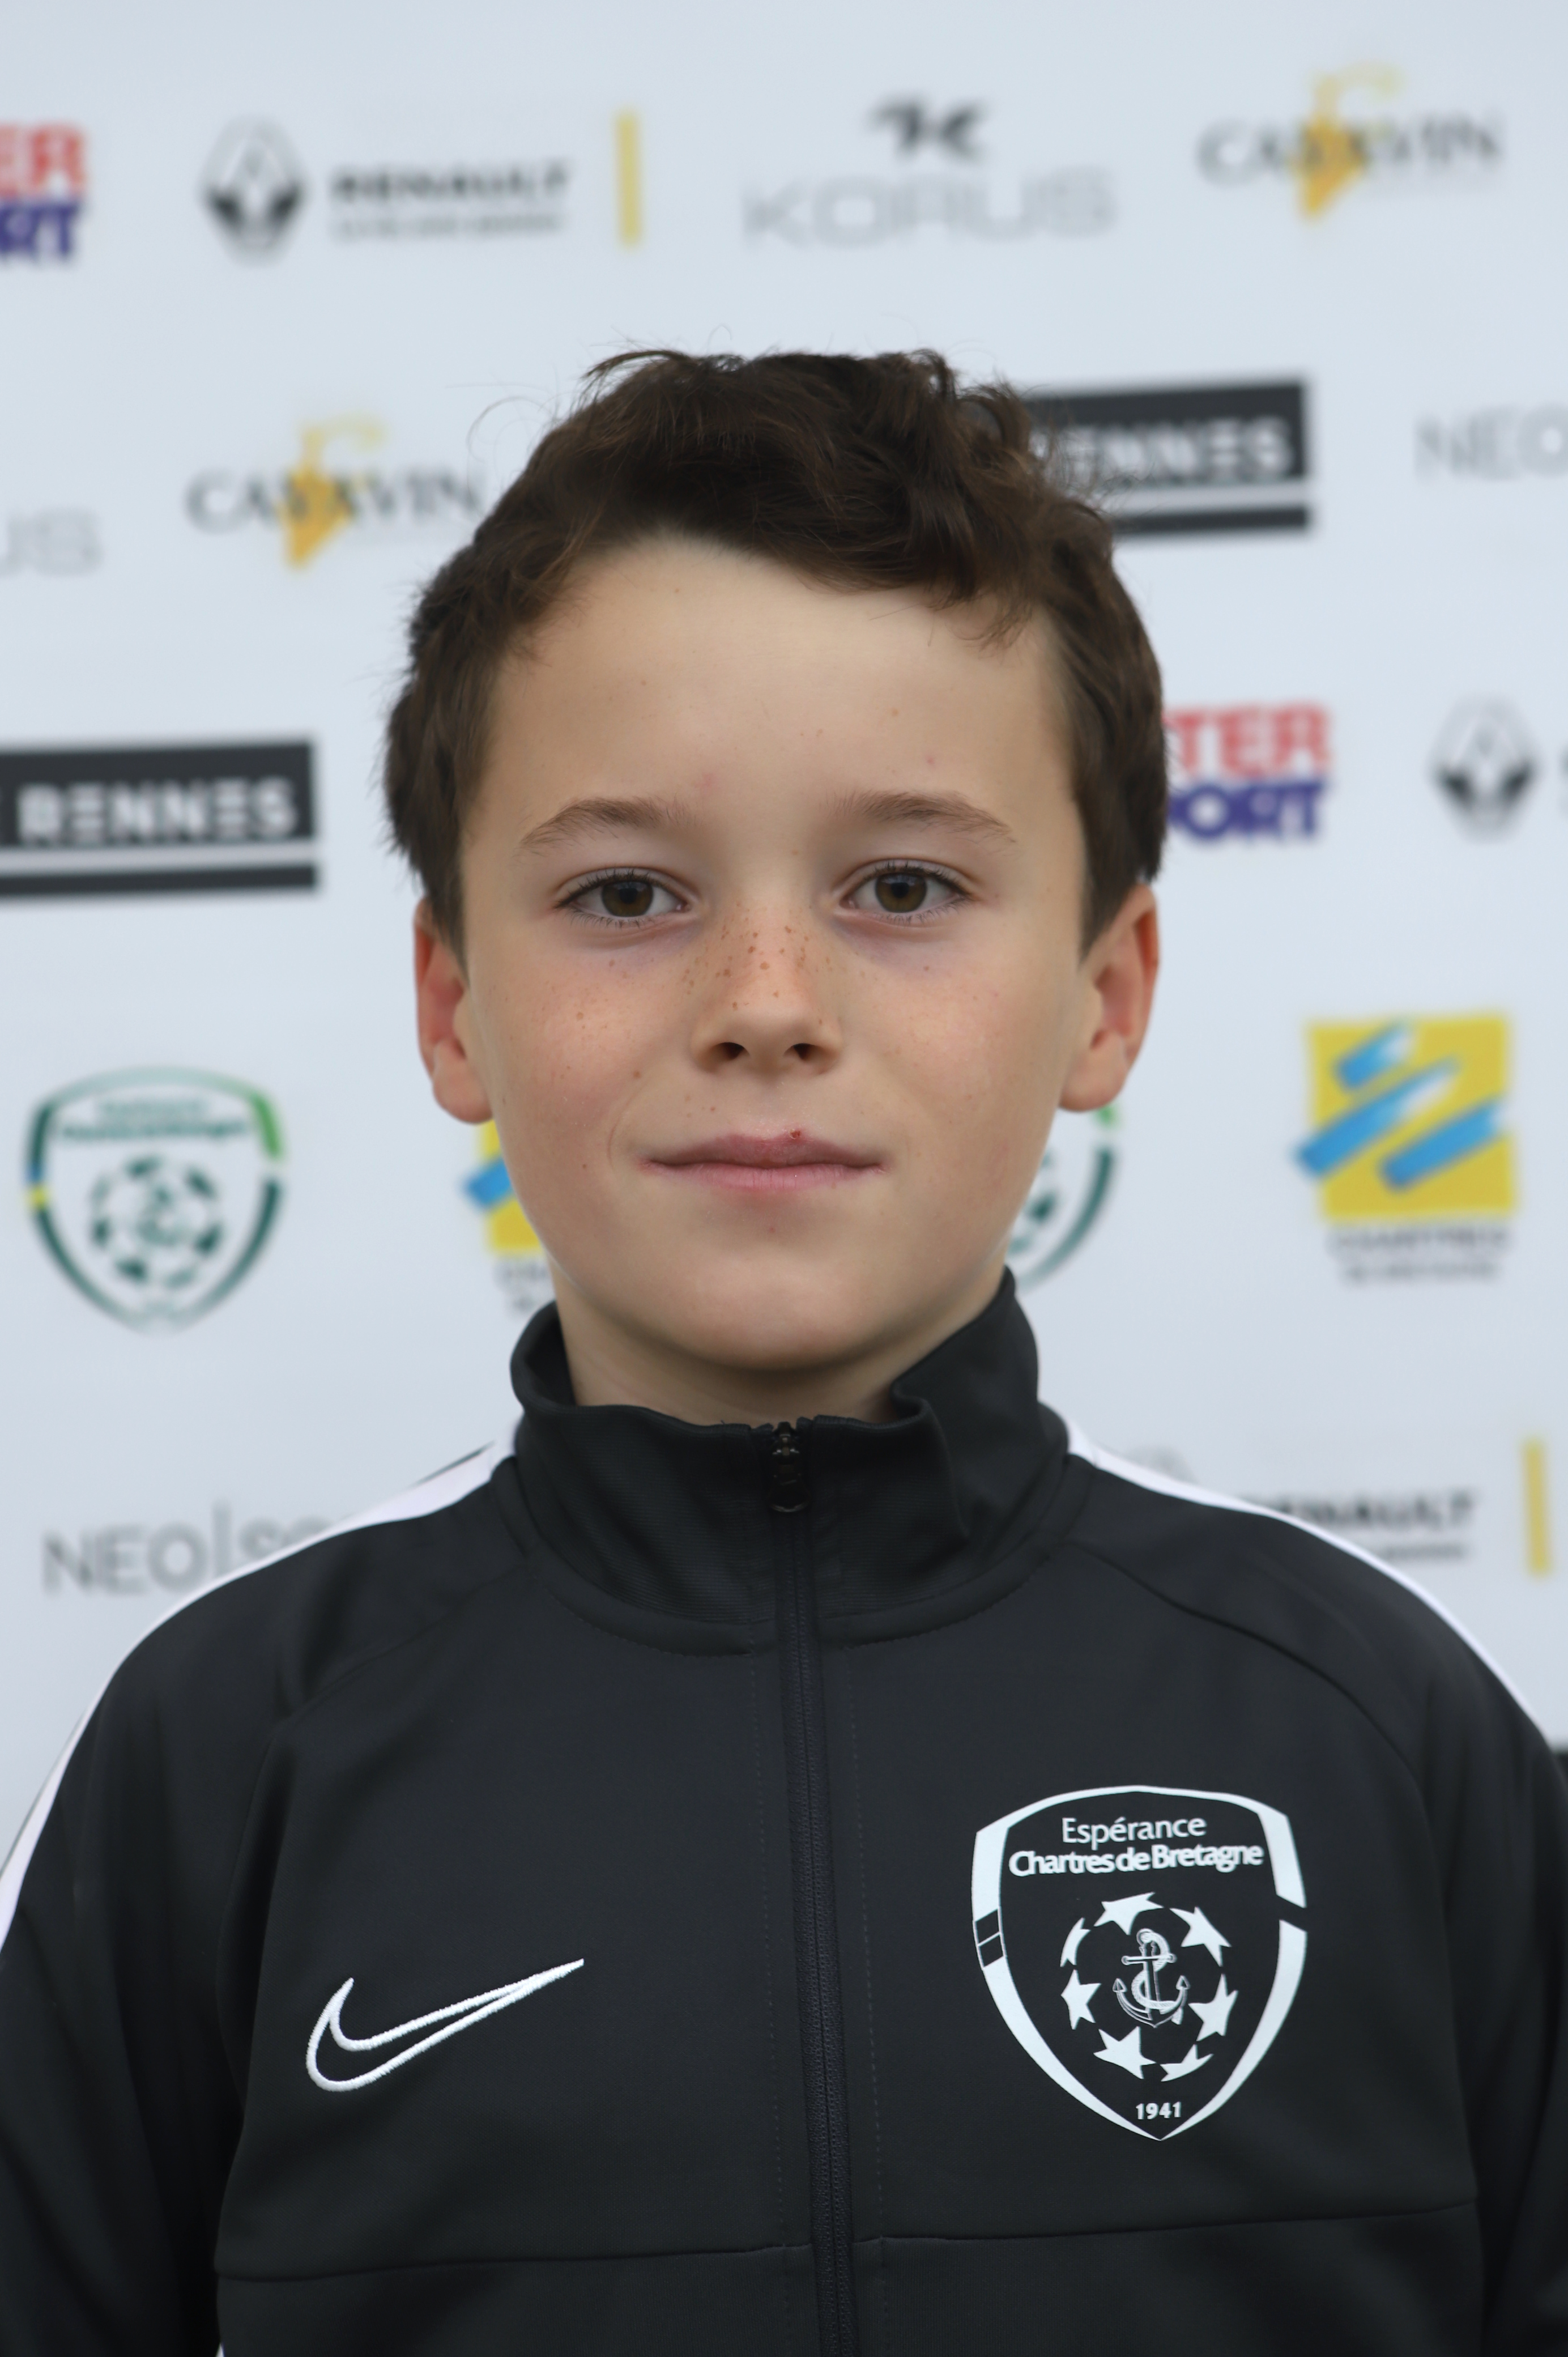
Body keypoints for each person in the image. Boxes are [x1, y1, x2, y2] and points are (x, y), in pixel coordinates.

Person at [1, 350, 1564, 2357]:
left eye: (903, 886)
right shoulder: (228, 1753)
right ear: (454, 1005)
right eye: (625, 892)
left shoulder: (1380, 1729)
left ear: (1105, 994)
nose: (765, 1000)